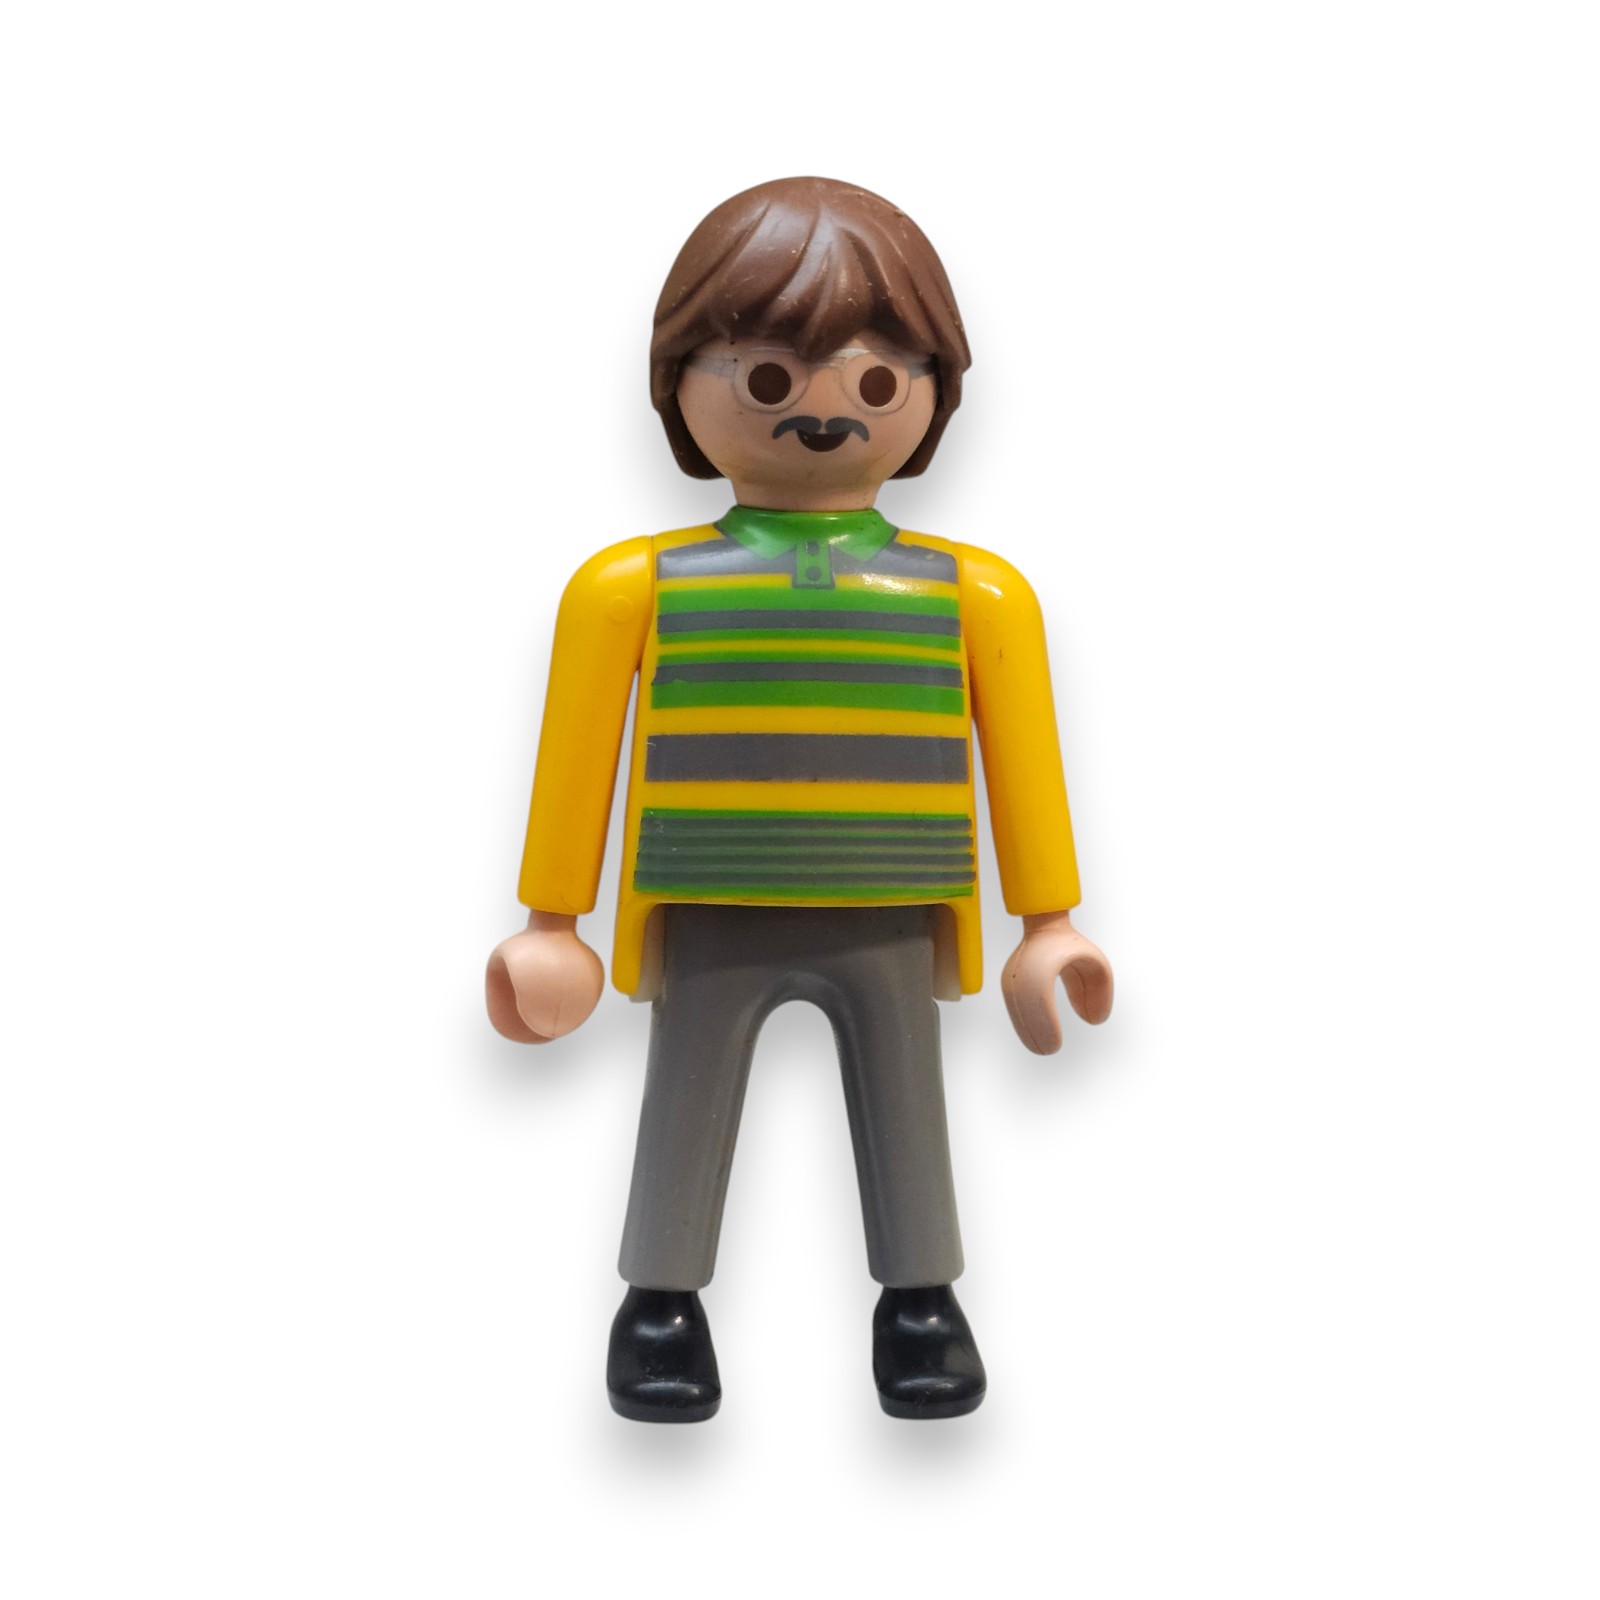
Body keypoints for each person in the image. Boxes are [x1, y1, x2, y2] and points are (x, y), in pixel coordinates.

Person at [487, 176, 1113, 1422]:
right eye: (768, 376)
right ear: (681, 384)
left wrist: (1049, 921)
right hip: (708, 893)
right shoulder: (633, 586)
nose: (824, 410)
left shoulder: (975, 595)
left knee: (907, 1099)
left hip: (891, 898)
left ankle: (920, 1302)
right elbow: (578, 752)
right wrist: (551, 921)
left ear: (932, 393)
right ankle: (660, 1302)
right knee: (684, 1095)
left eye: (875, 380)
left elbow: (1023, 756)